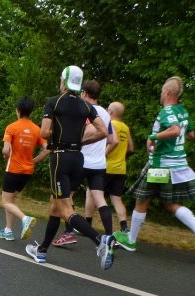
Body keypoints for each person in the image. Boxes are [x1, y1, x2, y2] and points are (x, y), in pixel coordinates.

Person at [25, 65, 116, 270]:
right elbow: (104, 132)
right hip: (78, 158)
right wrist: (81, 142)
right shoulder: (86, 106)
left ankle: (100, 241)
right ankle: (42, 250)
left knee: (66, 209)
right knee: (55, 206)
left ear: (64, 81)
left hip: (60, 158)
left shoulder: (54, 102)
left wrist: (56, 136)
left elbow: (44, 133)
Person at [113, 76, 195, 258]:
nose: (161, 93)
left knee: (142, 199)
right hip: (177, 165)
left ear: (167, 92)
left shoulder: (167, 111)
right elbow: (190, 135)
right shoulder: (183, 111)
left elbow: (175, 130)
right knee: (170, 203)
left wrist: (153, 137)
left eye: (163, 90)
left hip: (160, 165)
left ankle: (130, 240)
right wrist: (171, 137)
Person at [53, 79, 117, 246]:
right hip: (99, 163)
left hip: (82, 160)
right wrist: (102, 152)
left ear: (84, 93)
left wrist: (77, 142)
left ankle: (69, 233)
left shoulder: (83, 108)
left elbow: (89, 130)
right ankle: (109, 237)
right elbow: (112, 139)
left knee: (67, 196)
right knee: (100, 199)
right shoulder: (105, 113)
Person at [0, 97, 50, 241]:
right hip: (27, 171)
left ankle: (25, 219)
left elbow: (5, 150)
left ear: (18, 110)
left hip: (13, 169)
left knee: (6, 201)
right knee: (11, 200)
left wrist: (6, 155)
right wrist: (34, 161)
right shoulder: (36, 129)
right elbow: (47, 149)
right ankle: (8, 230)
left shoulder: (11, 127)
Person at [87, 102, 134, 233]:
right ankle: (124, 227)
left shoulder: (110, 124)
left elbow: (114, 141)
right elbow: (131, 148)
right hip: (120, 168)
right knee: (116, 199)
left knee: (91, 193)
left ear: (111, 112)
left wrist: (104, 153)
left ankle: (87, 223)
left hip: (107, 166)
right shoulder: (125, 127)